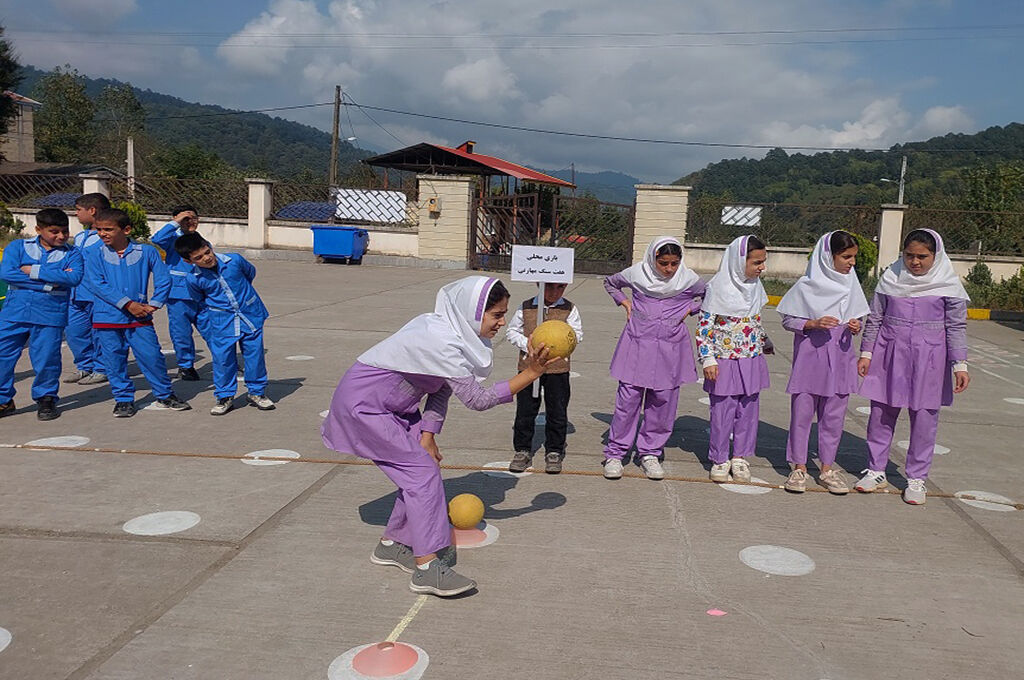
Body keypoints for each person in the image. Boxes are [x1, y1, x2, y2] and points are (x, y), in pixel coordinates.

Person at [321, 276, 553, 597]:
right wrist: (531, 373)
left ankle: (393, 544)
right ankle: (427, 568)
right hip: (365, 407)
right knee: (422, 475)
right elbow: (477, 399)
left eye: (503, 314)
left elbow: (440, 390)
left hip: (394, 406)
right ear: (473, 312)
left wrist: (428, 433)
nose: (502, 322)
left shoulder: (454, 333)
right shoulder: (440, 340)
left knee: (422, 469)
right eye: (497, 315)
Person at [855, 229, 970, 505]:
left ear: (936, 256)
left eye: (922, 256)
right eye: (909, 255)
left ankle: (916, 477)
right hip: (890, 351)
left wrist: (960, 364)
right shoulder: (891, 279)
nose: (915, 262)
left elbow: (956, 326)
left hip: (930, 357)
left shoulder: (948, 285)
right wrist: (866, 353)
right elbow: (875, 317)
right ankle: (876, 469)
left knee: (924, 417)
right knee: (881, 412)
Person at [601, 236, 706, 480]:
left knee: (663, 402)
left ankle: (650, 452)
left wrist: (691, 308)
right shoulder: (636, 274)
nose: (669, 270)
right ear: (652, 259)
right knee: (628, 402)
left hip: (671, 348)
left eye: (674, 263)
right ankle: (616, 453)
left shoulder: (688, 280)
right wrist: (624, 302)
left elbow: (711, 294)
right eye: (664, 263)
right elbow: (610, 283)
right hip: (637, 344)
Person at [776, 231, 870, 494]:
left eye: (854, 257)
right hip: (811, 357)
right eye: (846, 257)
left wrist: (855, 325)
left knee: (834, 416)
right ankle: (799, 467)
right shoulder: (807, 285)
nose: (851, 263)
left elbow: (858, 317)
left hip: (840, 358)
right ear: (829, 257)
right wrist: (812, 323)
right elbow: (787, 320)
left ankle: (827, 468)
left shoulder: (852, 284)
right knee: (803, 414)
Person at [83, 208, 191, 417]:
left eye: (108, 229)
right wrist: (126, 304)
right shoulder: (94, 253)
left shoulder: (146, 252)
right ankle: (123, 399)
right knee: (114, 360)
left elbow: (163, 278)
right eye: (99, 229)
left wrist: (155, 303)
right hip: (107, 317)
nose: (102, 234)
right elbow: (97, 284)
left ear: (126, 230)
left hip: (140, 316)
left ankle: (164, 394)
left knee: (151, 356)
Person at [696, 234, 773, 483]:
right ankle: (720, 458)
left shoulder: (755, 288)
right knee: (722, 410)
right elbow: (704, 328)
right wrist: (708, 359)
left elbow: (754, 322)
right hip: (724, 359)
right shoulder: (717, 288)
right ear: (739, 262)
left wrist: (764, 341)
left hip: (751, 358)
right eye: (757, 262)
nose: (762, 267)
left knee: (748, 409)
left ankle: (740, 457)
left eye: (763, 261)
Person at [175, 233, 274, 415]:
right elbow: (199, 299)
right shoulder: (194, 279)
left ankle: (257, 392)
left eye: (207, 252)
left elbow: (249, 273)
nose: (206, 258)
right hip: (223, 322)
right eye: (199, 257)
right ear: (189, 261)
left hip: (250, 316)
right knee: (223, 360)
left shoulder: (234, 261)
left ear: (209, 246)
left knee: (254, 355)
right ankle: (224, 396)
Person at [0, 209, 84, 420]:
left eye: (65, 231)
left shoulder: (72, 253)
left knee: (47, 358)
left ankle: (46, 398)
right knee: (3, 356)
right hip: (15, 312)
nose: (61, 236)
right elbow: (7, 274)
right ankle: (3, 399)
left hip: (50, 314)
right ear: (38, 229)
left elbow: (74, 278)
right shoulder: (18, 247)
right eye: (54, 231)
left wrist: (33, 271)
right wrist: (49, 284)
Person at [506, 281, 583, 474]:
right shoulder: (526, 306)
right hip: (528, 368)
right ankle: (522, 450)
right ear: (538, 285)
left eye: (560, 288)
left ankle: (555, 450)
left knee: (557, 410)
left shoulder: (569, 308)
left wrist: (560, 343)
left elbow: (577, 334)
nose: (554, 292)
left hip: (557, 369)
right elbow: (511, 331)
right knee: (525, 410)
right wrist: (529, 345)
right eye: (549, 287)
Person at [64, 192, 111, 385]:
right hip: (76, 293)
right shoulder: (82, 235)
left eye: (78, 210)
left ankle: (102, 368)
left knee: (99, 333)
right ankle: (84, 366)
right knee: (75, 331)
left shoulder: (106, 236)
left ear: (92, 210)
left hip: (97, 294)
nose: (76, 214)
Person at [152, 205, 203, 381]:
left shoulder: (201, 240)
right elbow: (157, 239)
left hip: (201, 293)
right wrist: (176, 223)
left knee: (213, 330)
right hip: (178, 294)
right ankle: (186, 365)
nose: (191, 222)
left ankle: (225, 362)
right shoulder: (173, 239)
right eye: (186, 219)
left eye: (194, 218)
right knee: (181, 332)